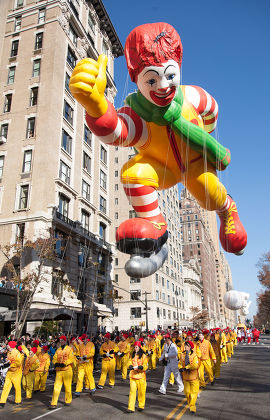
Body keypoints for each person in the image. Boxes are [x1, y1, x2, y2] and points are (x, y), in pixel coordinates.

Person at [69, 22, 247, 276]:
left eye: (170, 75)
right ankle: (155, 221)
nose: (162, 86)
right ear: (137, 79)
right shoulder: (138, 112)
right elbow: (117, 132)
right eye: (152, 79)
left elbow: (212, 114)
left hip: (195, 162)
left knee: (210, 195)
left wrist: (202, 142)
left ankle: (227, 208)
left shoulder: (193, 97)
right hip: (160, 166)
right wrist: (95, 103)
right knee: (133, 173)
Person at [50, 335, 74, 409]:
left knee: (67, 387)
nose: (61, 342)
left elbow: (71, 359)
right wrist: (55, 363)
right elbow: (54, 358)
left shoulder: (70, 349)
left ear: (65, 341)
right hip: (59, 371)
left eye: (62, 340)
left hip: (67, 370)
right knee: (56, 387)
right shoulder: (58, 350)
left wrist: (65, 363)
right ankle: (53, 403)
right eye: (60, 340)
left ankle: (68, 400)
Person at [0, 341, 23, 408]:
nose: (7, 346)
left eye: (8, 345)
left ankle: (18, 400)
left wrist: (10, 365)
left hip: (16, 372)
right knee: (5, 387)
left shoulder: (17, 353)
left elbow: (18, 363)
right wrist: (5, 362)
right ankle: (2, 402)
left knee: (17, 387)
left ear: (11, 346)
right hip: (9, 372)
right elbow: (8, 360)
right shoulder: (8, 353)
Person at [127, 341, 148, 413]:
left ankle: (141, 405)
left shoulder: (143, 356)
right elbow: (129, 362)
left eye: (136, 347)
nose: (135, 348)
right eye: (134, 347)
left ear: (139, 347)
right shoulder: (131, 355)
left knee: (141, 392)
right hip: (133, 376)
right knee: (132, 392)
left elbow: (146, 365)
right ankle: (130, 407)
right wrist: (129, 366)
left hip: (141, 377)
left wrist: (142, 367)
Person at [180, 341, 200, 414]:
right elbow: (180, 363)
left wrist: (186, 367)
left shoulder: (195, 355)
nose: (185, 347)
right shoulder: (182, 355)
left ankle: (192, 407)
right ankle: (190, 403)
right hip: (185, 377)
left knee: (194, 393)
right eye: (185, 346)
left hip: (194, 377)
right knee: (187, 392)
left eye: (187, 346)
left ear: (190, 347)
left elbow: (195, 365)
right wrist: (180, 368)